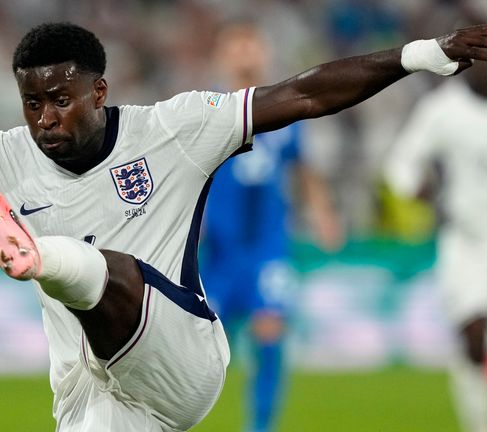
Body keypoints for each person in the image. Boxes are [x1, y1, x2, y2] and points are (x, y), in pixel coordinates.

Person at [0, 20, 487, 431]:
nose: (43, 120)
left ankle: (38, 255)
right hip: (92, 396)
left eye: (59, 100)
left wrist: (425, 54)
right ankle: (46, 259)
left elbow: (304, 92)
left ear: (99, 90)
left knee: (107, 268)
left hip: (181, 353)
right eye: (31, 103)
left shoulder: (173, 129)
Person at [200, 22, 342, 432]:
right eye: (237, 45)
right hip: (219, 253)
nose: (245, 53)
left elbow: (305, 170)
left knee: (270, 332)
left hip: (268, 249)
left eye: (251, 45)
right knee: (203, 349)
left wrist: (323, 214)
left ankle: (260, 427)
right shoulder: (206, 111)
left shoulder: (286, 110)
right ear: (223, 55)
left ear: (263, 53)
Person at [384, 56, 487, 432]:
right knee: (474, 335)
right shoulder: (441, 110)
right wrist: (418, 188)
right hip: (465, 237)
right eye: (474, 57)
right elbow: (399, 164)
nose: (482, 65)